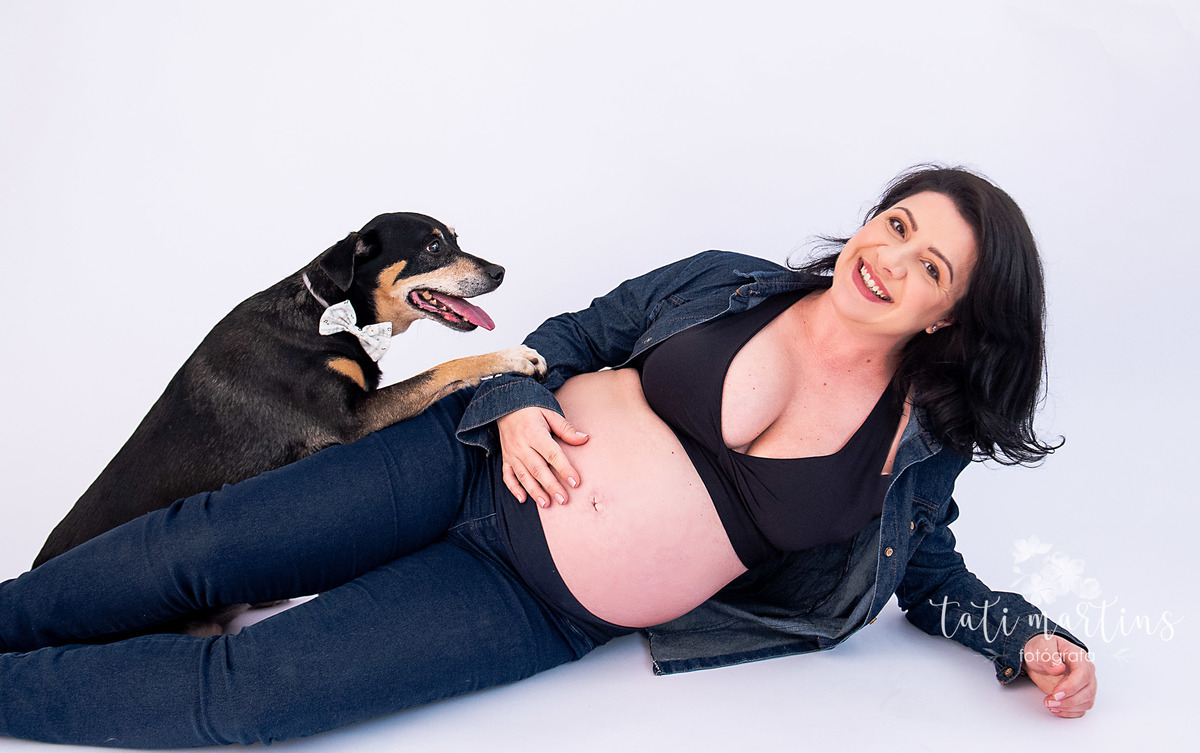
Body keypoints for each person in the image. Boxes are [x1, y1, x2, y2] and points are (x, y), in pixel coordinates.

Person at [0, 166, 1097, 747]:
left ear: (951, 317)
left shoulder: (917, 446)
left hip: (534, 606)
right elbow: (571, 337)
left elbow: (929, 576)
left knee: (251, 698)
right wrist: (520, 403)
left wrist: (1023, 636)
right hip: (465, 459)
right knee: (205, 548)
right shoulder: (728, 281)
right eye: (897, 224)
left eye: (932, 266)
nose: (892, 258)